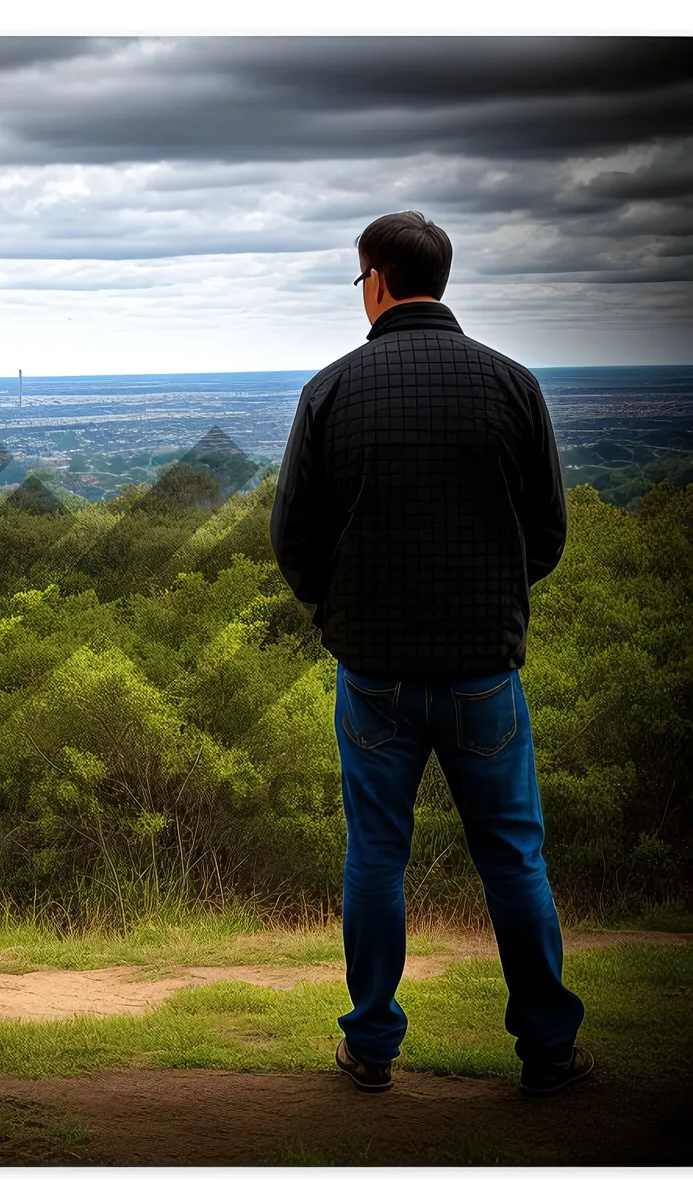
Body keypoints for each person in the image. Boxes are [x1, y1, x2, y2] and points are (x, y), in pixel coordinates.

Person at [270, 211, 590, 1097]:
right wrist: (493, 602)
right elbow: (549, 532)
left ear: (374, 279)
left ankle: (371, 1045)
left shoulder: (331, 389)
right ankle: (549, 1049)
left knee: (376, 854)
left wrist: (339, 611)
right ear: (440, 281)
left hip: (372, 674)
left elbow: (293, 537)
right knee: (514, 857)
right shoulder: (513, 385)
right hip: (485, 669)